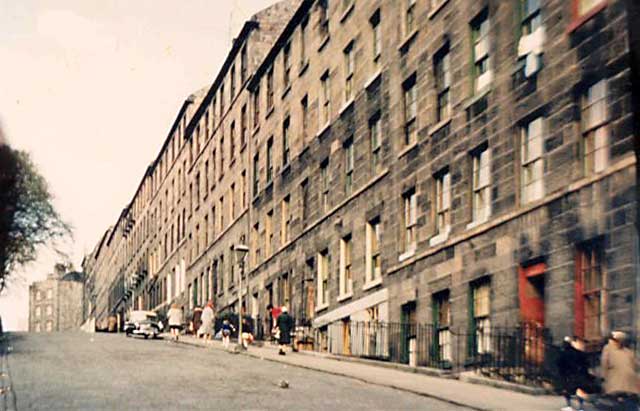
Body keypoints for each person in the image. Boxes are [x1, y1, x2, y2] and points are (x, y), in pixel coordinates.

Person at [556, 336, 599, 411]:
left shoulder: (563, 352)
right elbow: (586, 364)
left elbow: (560, 363)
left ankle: (569, 405)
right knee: (579, 390)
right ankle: (580, 406)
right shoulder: (580, 353)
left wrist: (561, 372)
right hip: (579, 374)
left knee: (567, 390)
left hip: (568, 375)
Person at [601, 331, 639, 410]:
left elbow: (604, 366)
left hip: (625, 387)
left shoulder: (628, 352)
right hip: (619, 387)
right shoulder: (609, 349)